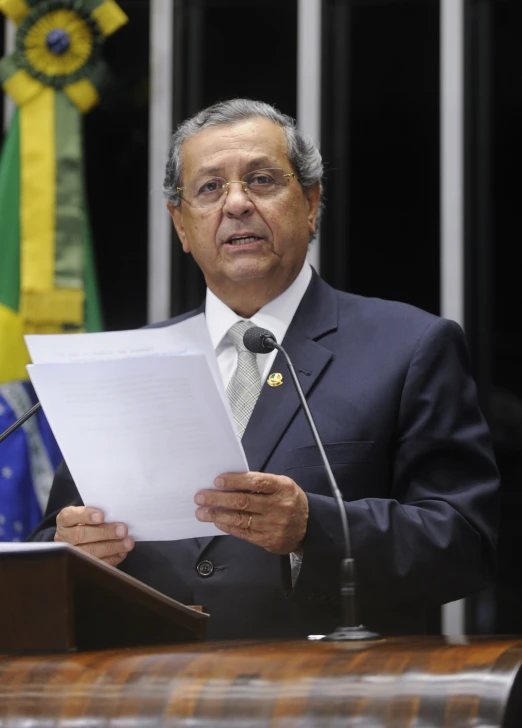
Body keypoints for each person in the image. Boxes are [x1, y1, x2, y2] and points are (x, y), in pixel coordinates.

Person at [29, 99, 499, 639]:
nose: (236, 204)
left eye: (261, 179)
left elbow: (465, 543)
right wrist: (69, 549)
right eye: (209, 188)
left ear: (311, 203)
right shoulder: (122, 363)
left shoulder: (410, 346)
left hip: (322, 700)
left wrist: (312, 528)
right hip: (142, 695)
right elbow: (51, 545)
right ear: (181, 225)